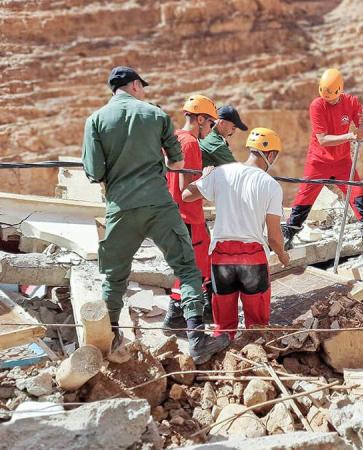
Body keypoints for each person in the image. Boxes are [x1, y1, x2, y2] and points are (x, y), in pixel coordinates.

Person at [81, 66, 229, 364]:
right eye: (142, 86)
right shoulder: (156, 115)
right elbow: (176, 163)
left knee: (114, 276)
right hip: (160, 206)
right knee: (187, 268)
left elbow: (93, 172)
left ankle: (110, 338)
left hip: (121, 208)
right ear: (135, 86)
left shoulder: (95, 120)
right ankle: (197, 339)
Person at [182, 128, 289, 338]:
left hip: (221, 258)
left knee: (222, 327)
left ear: (250, 150)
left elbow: (186, 195)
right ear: (271, 155)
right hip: (253, 259)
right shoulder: (271, 185)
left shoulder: (222, 172)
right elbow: (274, 237)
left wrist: (205, 177)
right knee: (257, 327)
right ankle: (255, 362)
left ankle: (222, 362)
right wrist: (283, 256)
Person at [282, 69, 363, 253]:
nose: (329, 100)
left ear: (340, 90)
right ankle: (288, 235)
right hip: (318, 161)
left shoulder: (351, 102)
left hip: (342, 161)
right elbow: (323, 139)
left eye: (332, 97)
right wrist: (350, 135)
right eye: (326, 97)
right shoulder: (317, 105)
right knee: (305, 197)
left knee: (357, 194)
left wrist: (361, 128)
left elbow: (361, 123)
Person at [163, 95, 218, 336]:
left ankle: (203, 310)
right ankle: (177, 318)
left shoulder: (173, 137)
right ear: (201, 118)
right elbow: (187, 193)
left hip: (173, 216)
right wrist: (208, 179)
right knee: (193, 270)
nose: (211, 129)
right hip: (189, 217)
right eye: (211, 124)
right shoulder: (191, 144)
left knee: (196, 266)